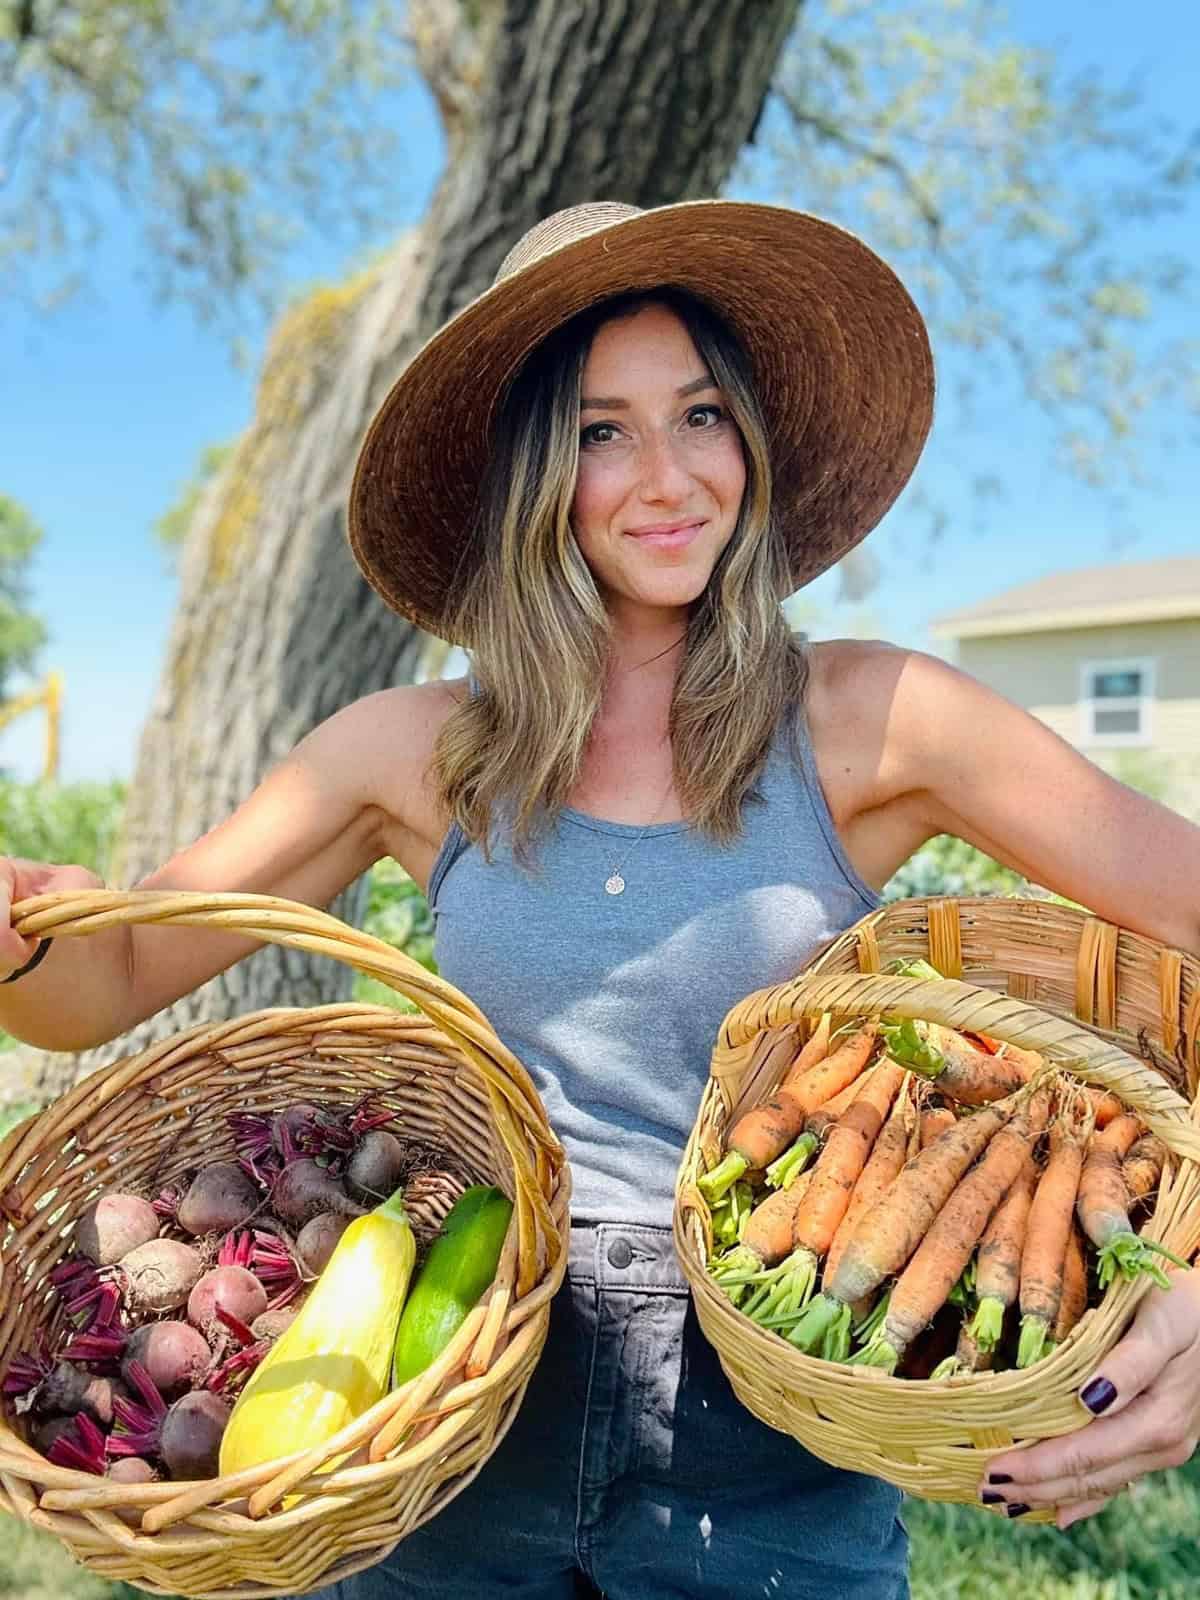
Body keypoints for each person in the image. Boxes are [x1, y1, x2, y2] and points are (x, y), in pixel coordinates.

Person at [3, 199, 1200, 1598]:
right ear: (531, 474)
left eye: (701, 415)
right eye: (598, 430)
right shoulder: (410, 750)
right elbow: (103, 984)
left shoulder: (878, 717)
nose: (668, 476)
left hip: (774, 1450)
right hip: (453, 1415)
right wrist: (26, 929)